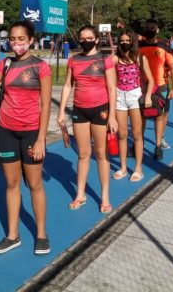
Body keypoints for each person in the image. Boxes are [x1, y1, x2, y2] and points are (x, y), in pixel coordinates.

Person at [0, 20, 52, 255]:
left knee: (35, 185)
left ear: (31, 40)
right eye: (12, 39)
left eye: (21, 39)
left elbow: (46, 105)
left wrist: (41, 139)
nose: (16, 43)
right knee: (11, 184)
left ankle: (41, 234)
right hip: (6, 132)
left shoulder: (41, 67)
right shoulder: (5, 64)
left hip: (31, 133)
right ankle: (12, 235)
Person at [57, 25, 118, 214]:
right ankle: (80, 194)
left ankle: (105, 197)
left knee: (101, 154)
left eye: (89, 38)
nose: (85, 41)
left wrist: (112, 117)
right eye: (82, 38)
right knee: (83, 154)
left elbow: (112, 89)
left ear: (97, 40)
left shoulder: (105, 60)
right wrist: (61, 112)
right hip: (79, 111)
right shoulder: (74, 60)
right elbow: (68, 86)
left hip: (101, 110)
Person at [111, 29, 154, 182]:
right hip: (120, 97)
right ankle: (123, 167)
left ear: (133, 42)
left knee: (136, 135)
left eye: (127, 40)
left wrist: (148, 96)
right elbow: (110, 81)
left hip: (135, 97)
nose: (124, 43)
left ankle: (138, 168)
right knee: (122, 135)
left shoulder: (140, 58)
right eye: (122, 41)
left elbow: (151, 80)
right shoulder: (115, 59)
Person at [138, 19, 173, 160]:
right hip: (142, 87)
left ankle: (158, 145)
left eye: (152, 27)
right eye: (147, 27)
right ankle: (139, 143)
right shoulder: (138, 47)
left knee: (159, 116)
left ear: (157, 30)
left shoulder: (164, 47)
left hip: (161, 87)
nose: (150, 29)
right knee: (141, 116)